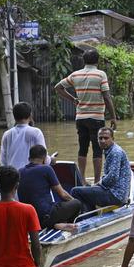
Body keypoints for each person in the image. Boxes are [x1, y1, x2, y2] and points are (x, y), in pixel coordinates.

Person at [55, 48, 118, 183]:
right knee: (97, 149)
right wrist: (113, 116)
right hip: (96, 118)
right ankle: (96, 181)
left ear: (84, 60)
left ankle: (82, 180)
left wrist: (72, 99)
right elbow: (106, 96)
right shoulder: (101, 75)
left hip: (81, 118)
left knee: (82, 148)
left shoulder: (75, 75)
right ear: (98, 61)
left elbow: (58, 87)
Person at [18, 145, 81, 232]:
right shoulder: (46, 168)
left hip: (29, 218)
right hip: (46, 216)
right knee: (76, 203)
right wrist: (74, 201)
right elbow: (62, 194)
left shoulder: (20, 171)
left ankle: (55, 224)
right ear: (44, 159)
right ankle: (64, 224)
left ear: (29, 158)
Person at [71, 128, 130, 212]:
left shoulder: (115, 152)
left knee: (75, 191)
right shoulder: (111, 150)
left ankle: (87, 218)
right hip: (117, 193)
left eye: (106, 138)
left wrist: (99, 184)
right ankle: (91, 214)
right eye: (100, 138)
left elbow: (112, 177)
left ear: (112, 139)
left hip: (116, 195)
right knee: (87, 189)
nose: (102, 141)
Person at [0, 102, 53, 171]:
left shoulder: (7, 134)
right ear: (30, 115)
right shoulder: (36, 132)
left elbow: (3, 161)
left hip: (11, 176)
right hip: (29, 174)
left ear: (14, 116)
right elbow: (44, 158)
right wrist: (51, 160)